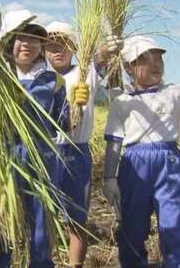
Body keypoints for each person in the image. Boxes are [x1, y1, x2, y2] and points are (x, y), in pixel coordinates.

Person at [102, 35, 180, 267]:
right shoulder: (121, 101)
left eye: (159, 58)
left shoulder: (174, 93)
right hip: (133, 166)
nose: (155, 64)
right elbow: (114, 142)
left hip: (169, 164)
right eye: (145, 59)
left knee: (175, 222)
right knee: (132, 226)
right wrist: (109, 177)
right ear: (129, 67)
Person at [0, 10, 70, 268]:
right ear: (9, 42)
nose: (27, 45)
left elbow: (62, 123)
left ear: (41, 45)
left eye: (34, 39)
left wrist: (76, 107)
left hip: (41, 158)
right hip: (3, 155)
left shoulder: (52, 80)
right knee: (0, 223)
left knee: (41, 224)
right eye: (21, 38)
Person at [43, 21, 122, 267]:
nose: (58, 50)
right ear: (43, 49)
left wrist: (112, 40)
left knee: (76, 220)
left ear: (76, 47)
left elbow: (103, 54)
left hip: (77, 154)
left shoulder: (86, 72)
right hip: (46, 153)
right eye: (52, 44)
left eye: (64, 43)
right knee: (44, 217)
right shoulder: (39, 79)